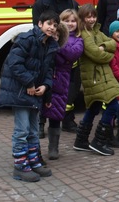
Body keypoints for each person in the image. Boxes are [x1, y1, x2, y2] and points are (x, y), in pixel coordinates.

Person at [0, 10, 59, 182]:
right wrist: (30, 84)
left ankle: (33, 162)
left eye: (55, 25)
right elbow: (14, 63)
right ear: (40, 24)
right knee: (21, 130)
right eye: (49, 24)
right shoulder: (27, 39)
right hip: (20, 92)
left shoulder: (50, 45)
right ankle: (20, 166)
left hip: (34, 94)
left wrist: (45, 88)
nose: (52, 28)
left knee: (32, 130)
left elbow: (48, 70)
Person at [32, 0, 81, 135]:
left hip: (67, 53)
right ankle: (40, 123)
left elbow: (77, 27)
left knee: (68, 89)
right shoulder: (40, 4)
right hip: (47, 52)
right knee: (45, 87)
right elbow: (37, 28)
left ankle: (68, 120)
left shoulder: (73, 3)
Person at [74, 3, 119, 156]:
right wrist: (108, 54)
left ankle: (81, 141)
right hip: (95, 76)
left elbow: (113, 42)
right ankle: (99, 141)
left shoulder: (96, 32)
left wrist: (103, 46)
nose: (92, 19)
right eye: (88, 17)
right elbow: (96, 54)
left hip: (100, 75)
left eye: (93, 16)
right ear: (82, 18)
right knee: (113, 104)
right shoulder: (84, 34)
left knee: (94, 107)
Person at [41, 9, 84, 160]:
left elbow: (72, 54)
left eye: (73, 21)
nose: (70, 23)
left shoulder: (78, 40)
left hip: (61, 80)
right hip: (44, 78)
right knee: (38, 112)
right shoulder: (48, 35)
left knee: (55, 114)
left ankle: (53, 147)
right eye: (66, 20)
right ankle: (36, 142)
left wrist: (59, 41)